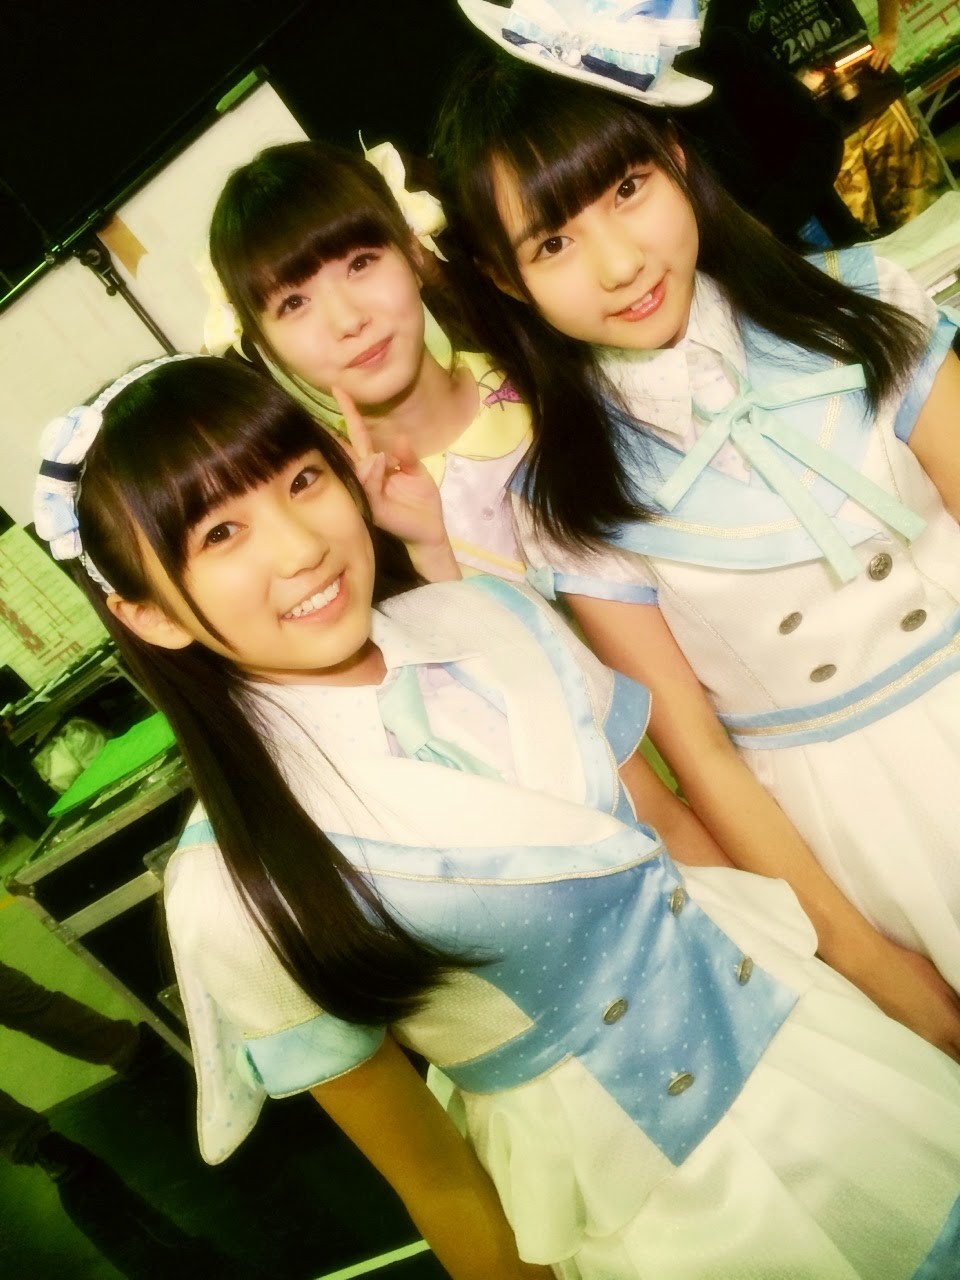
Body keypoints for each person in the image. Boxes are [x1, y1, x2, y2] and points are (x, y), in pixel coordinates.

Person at [29, 353, 960, 1278]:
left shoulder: (496, 618)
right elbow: (439, 1182)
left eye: (303, 479)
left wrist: (868, 981)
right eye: (222, 533)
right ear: (151, 615)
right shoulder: (236, 888)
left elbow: (678, 838)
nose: (301, 546)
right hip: (667, 1222)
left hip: (833, 1058)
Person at [432, 9, 960, 1059]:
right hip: (856, 828)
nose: (620, 263)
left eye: (627, 190)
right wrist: (871, 966)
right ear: (503, 278)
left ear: (676, 155)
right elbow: (704, 760)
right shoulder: (569, 499)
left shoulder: (862, 303)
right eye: (553, 242)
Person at [206, 138, 531, 583]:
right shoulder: (324, 525)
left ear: (413, 252)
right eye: (294, 303)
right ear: (264, 345)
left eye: (360, 264)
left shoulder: (540, 368)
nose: (348, 320)